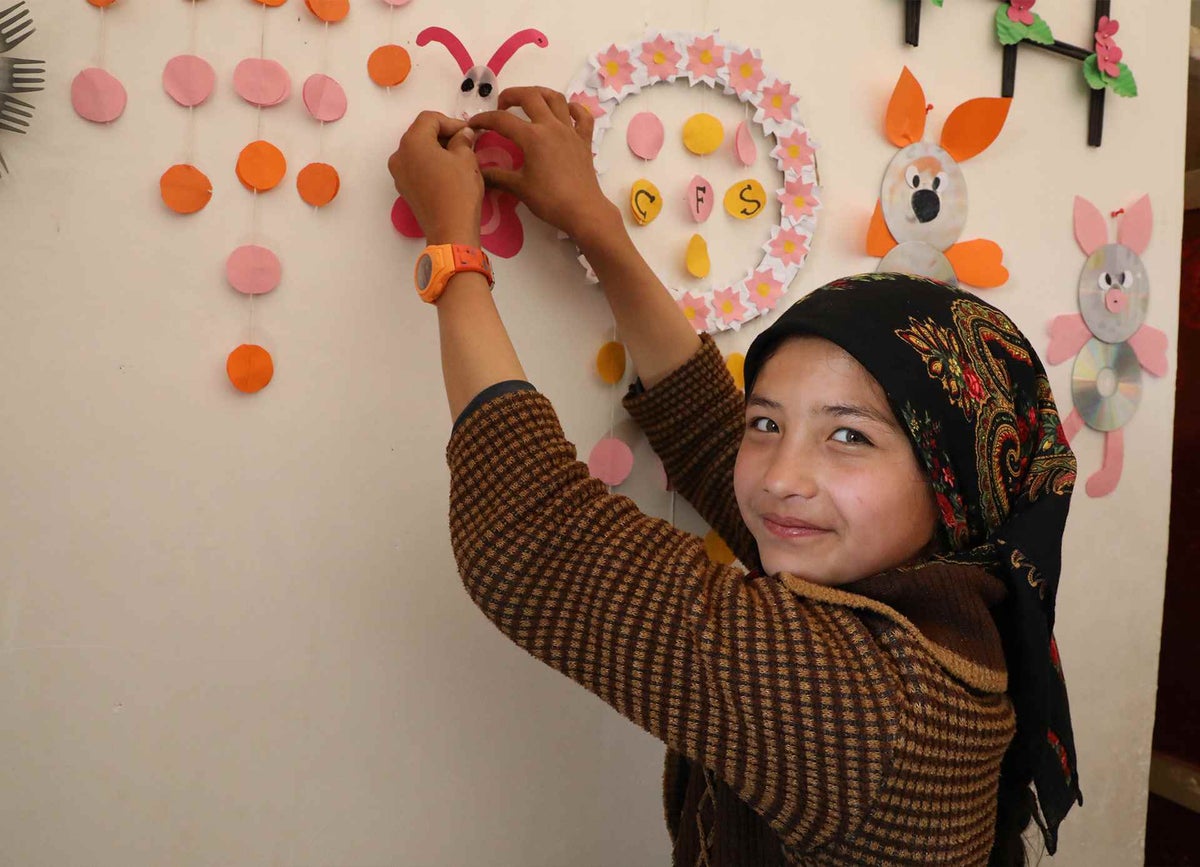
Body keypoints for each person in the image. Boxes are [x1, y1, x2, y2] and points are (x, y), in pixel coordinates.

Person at [388, 86, 1083, 866]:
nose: (783, 476)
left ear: (951, 485)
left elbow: (531, 540)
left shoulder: (871, 707)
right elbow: (711, 434)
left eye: (849, 435)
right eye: (769, 421)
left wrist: (453, 246)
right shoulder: (932, 591)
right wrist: (596, 224)